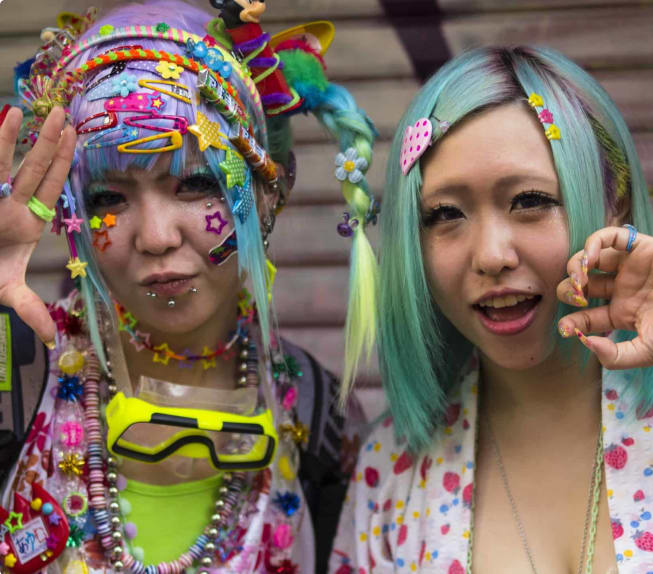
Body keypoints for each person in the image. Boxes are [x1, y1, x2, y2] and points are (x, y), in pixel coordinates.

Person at [329, 46, 653, 573]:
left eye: (530, 201)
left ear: (614, 203)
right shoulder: (392, 471)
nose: (491, 255)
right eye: (445, 213)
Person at [0, 2, 376, 573]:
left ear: (272, 191)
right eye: (108, 198)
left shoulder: (323, 424)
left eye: (196, 184)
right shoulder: (17, 365)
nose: (155, 237)